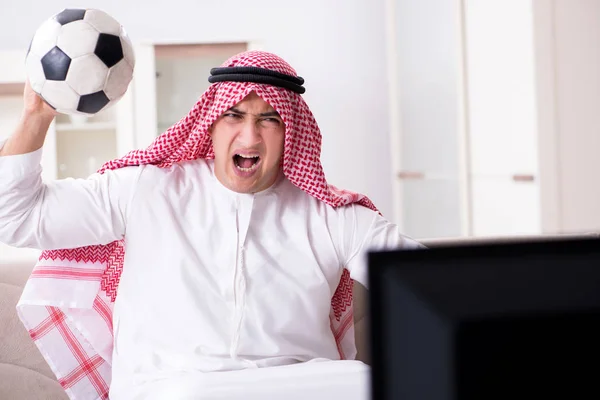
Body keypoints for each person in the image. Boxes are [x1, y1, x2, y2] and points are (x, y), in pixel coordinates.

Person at [0, 50, 421, 399]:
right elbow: (16, 218)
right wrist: (34, 117)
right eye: (234, 116)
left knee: (368, 382)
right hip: (169, 388)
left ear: (290, 131)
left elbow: (426, 285)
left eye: (269, 119)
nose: (250, 137)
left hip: (297, 386)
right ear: (211, 125)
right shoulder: (146, 188)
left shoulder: (331, 215)